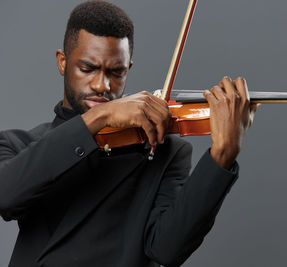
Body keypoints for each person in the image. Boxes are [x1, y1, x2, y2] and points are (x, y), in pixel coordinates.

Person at [0, 1, 257, 266]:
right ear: (62, 62)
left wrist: (222, 155)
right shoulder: (18, 144)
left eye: (116, 72)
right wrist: (101, 116)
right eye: (88, 69)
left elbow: (167, 249)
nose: (103, 85)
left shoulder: (163, 150)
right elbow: (5, 195)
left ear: (128, 69)